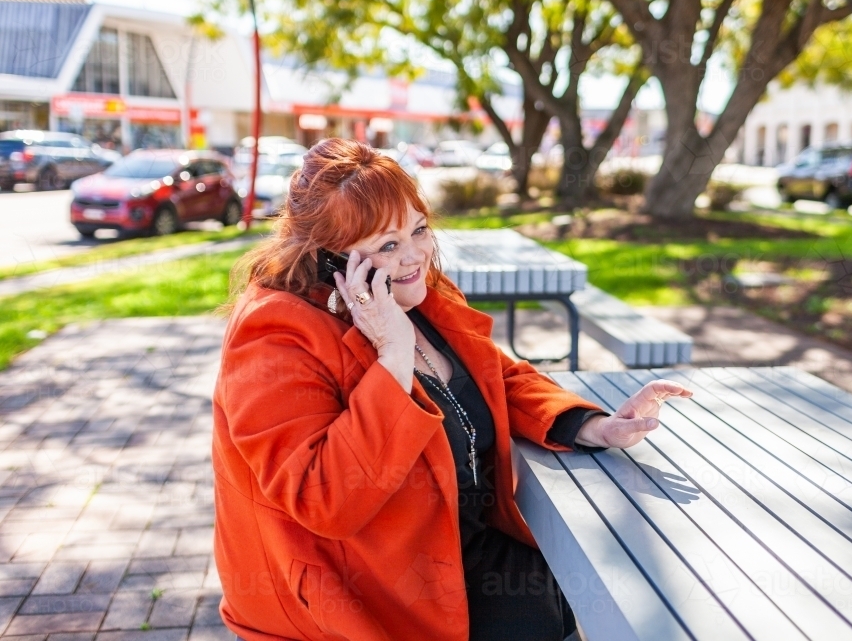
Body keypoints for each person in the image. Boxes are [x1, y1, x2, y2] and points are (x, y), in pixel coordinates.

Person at [212, 138, 693, 640]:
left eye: (418, 230)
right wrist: (392, 359)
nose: (414, 256)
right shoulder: (274, 337)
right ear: (329, 259)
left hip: (464, 547)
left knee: (618, 582)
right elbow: (325, 499)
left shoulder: (420, 294)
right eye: (386, 246)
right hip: (366, 590)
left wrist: (592, 425)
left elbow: (496, 375)